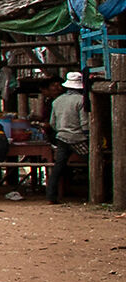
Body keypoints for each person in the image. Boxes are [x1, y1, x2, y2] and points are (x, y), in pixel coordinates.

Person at [49, 72, 91, 204]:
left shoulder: (57, 101)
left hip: (61, 137)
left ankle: (51, 196)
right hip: (77, 138)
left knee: (58, 167)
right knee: (93, 163)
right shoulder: (81, 100)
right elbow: (84, 122)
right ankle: (96, 193)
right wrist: (88, 136)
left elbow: (52, 123)